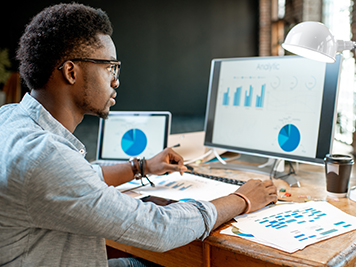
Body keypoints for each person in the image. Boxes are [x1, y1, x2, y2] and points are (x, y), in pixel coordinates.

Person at [0, 3, 277, 267]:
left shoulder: (11, 118)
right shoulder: (43, 157)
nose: (116, 80)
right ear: (71, 71)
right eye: (110, 67)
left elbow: (74, 180)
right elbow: (158, 228)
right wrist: (242, 199)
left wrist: (142, 167)